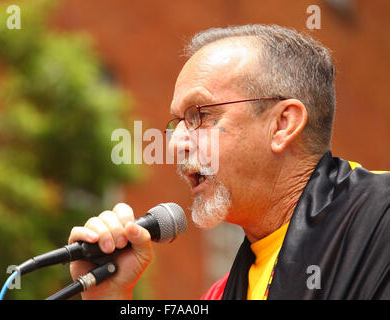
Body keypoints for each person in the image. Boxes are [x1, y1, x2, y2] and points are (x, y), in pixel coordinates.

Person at [68, 25, 390, 300]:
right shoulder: (221, 293)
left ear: (282, 125)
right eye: (176, 123)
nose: (176, 143)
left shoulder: (380, 220)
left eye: (199, 115)